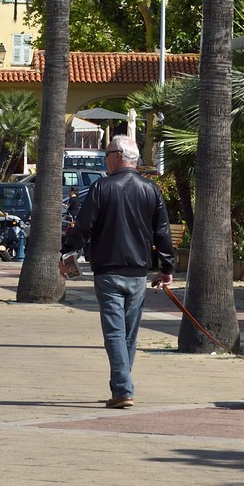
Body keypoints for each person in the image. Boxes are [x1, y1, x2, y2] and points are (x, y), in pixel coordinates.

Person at [60, 135, 174, 409]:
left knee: (114, 332)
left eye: (107, 153)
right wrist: (167, 267)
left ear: (119, 156)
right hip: (138, 271)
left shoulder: (102, 187)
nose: (105, 159)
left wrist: (67, 251)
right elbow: (162, 231)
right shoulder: (150, 189)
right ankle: (121, 388)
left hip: (108, 270)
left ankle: (123, 389)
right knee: (128, 334)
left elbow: (84, 225)